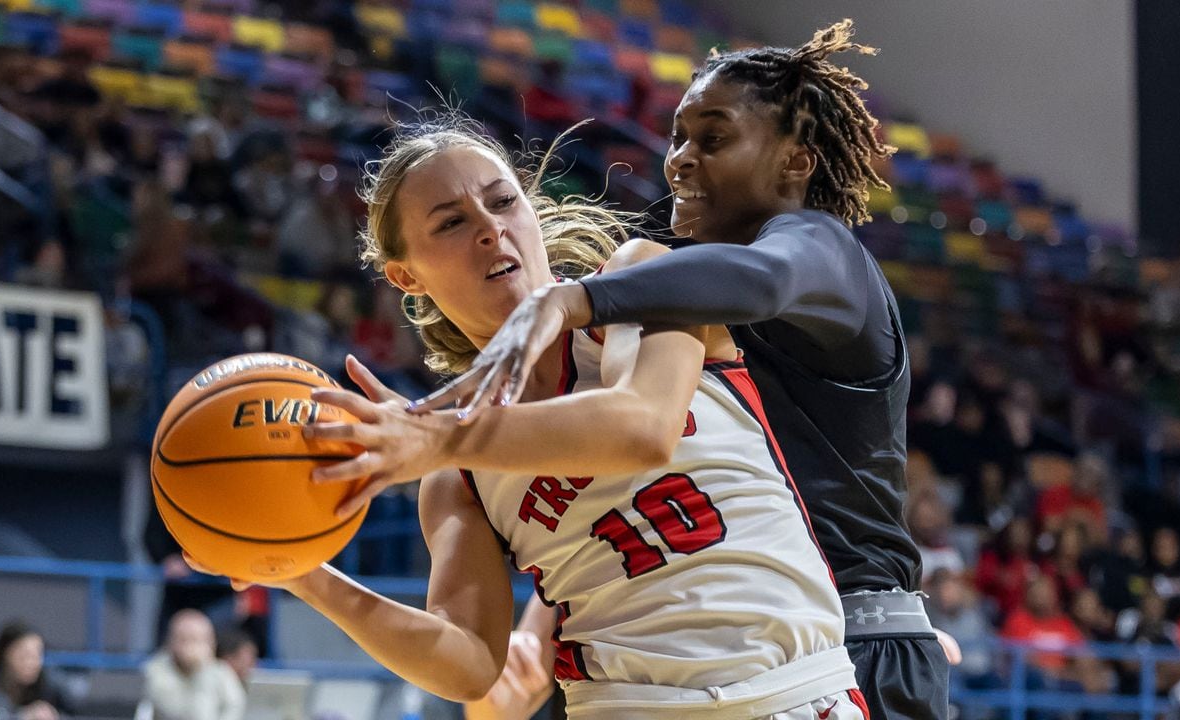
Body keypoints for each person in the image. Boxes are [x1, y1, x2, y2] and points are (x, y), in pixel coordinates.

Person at [353, 21, 949, 718]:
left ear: (795, 160)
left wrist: (568, 302)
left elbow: (648, 424)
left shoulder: (803, 252)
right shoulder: (658, 281)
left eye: (714, 139)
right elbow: (614, 518)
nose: (680, 162)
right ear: (405, 274)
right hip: (666, 664)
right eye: (676, 138)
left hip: (840, 639)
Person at [193, 120, 867, 719]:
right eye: (451, 222)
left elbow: (643, 428)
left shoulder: (641, 282)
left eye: (502, 200)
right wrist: (303, 572)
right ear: (408, 277)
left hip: (790, 693)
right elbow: (467, 662)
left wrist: (433, 437)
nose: (490, 227)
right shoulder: (455, 471)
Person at [141, 610, 245, 720]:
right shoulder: (156, 671)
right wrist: (199, 671)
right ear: (172, 642)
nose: (195, 647)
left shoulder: (220, 671)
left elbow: (235, 706)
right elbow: (181, 713)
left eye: (201, 640)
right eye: (188, 639)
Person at [0, 622, 76, 720]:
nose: (32, 663)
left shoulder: (48, 684)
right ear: (4, 653)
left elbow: (75, 714)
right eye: (25, 655)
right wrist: (22, 716)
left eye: (37, 655)